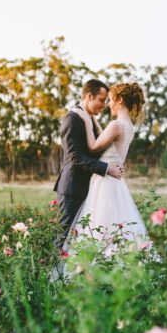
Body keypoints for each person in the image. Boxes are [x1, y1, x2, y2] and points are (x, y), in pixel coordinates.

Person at [68, 82, 147, 252]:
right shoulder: (128, 126)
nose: (108, 104)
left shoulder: (116, 125)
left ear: (119, 100)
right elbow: (108, 139)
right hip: (116, 182)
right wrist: (94, 120)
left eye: (110, 100)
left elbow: (93, 147)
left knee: (101, 228)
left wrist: (87, 121)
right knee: (116, 227)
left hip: (104, 182)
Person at [53, 79, 124, 249]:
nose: (104, 105)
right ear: (89, 96)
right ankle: (51, 275)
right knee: (65, 235)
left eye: (106, 100)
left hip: (89, 188)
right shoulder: (72, 118)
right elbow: (74, 156)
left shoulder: (89, 119)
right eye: (101, 100)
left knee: (80, 238)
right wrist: (106, 169)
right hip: (72, 188)